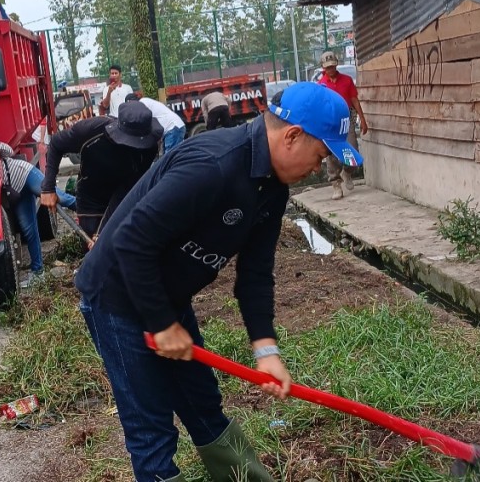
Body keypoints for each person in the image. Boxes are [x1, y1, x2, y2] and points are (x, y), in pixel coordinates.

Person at [73, 82, 358, 482]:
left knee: (203, 404)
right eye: (321, 155)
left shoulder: (272, 188)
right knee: (152, 428)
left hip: (166, 295)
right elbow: (131, 242)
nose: (319, 167)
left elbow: (255, 274)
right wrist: (161, 322)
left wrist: (266, 351)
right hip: (116, 296)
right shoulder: (214, 165)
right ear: (292, 137)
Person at [41, 100, 162, 239]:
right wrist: (48, 188)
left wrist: (103, 232)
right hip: (91, 198)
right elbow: (56, 144)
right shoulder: (91, 130)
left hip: (123, 198)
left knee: (119, 242)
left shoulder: (149, 147)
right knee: (93, 249)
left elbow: (126, 189)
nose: (135, 147)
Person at [0, 140, 73, 286]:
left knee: (60, 197)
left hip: (24, 173)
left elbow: (9, 151)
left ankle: (91, 213)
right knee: (29, 230)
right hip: (16, 191)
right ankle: (38, 272)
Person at [317, 50, 367, 200]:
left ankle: (348, 171)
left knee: (352, 148)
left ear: (336, 65)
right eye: (328, 68)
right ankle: (335, 183)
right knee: (331, 152)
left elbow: (354, 100)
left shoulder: (346, 80)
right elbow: (319, 106)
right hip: (330, 121)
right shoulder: (321, 85)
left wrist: (362, 119)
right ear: (323, 68)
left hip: (347, 117)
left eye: (332, 66)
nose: (331, 70)